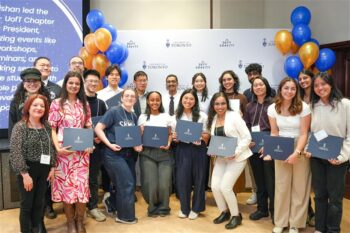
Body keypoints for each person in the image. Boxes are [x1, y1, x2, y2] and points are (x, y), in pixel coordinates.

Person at [305, 72, 350, 233]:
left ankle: (332, 229)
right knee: (319, 195)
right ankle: (319, 228)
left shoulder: (345, 104)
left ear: (331, 84)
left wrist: (342, 156)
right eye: (316, 85)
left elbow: (349, 134)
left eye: (323, 84)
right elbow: (313, 132)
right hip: (317, 157)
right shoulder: (313, 105)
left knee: (335, 199)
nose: (320, 88)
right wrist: (309, 148)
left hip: (337, 159)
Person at [49, 71, 93, 233]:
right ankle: (70, 223)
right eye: (71, 83)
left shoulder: (84, 104)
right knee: (67, 189)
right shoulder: (56, 104)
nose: (74, 86)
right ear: (65, 84)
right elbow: (52, 129)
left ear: (80, 86)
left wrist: (89, 143)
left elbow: (88, 125)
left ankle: (79, 221)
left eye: (77, 83)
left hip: (82, 153)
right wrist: (58, 149)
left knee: (81, 187)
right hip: (64, 153)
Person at [267, 77, 311, 233]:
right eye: (286, 88)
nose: (289, 91)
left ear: (296, 91)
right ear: (280, 89)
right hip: (281, 145)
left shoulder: (304, 107)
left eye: (293, 88)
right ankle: (281, 221)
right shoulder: (272, 108)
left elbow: (304, 133)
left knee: (300, 187)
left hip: (300, 145)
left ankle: (295, 223)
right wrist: (270, 150)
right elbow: (274, 132)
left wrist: (297, 152)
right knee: (282, 186)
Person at [94, 88, 142, 224]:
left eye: (132, 96)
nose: (129, 98)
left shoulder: (133, 116)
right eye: (127, 95)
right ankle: (125, 217)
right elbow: (98, 128)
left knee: (125, 183)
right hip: (113, 154)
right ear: (121, 98)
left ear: (135, 100)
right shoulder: (114, 111)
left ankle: (111, 202)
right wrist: (109, 144)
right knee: (127, 183)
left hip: (128, 154)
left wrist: (136, 146)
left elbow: (130, 137)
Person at [10, 94, 56, 233]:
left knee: (39, 203)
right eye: (35, 105)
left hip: (44, 169)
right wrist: (24, 174)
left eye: (42, 106)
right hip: (28, 170)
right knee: (27, 205)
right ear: (28, 107)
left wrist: (52, 167)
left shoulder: (47, 125)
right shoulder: (20, 127)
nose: (39, 108)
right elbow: (15, 152)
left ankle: (36, 228)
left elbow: (51, 147)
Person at [207, 92, 252, 230]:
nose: (220, 106)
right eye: (217, 104)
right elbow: (216, 139)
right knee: (214, 186)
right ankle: (224, 212)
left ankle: (236, 216)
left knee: (225, 187)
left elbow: (247, 137)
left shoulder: (234, 116)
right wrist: (212, 149)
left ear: (227, 104)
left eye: (223, 103)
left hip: (237, 157)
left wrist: (236, 151)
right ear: (213, 105)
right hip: (221, 157)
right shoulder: (214, 118)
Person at [171, 89, 210, 220]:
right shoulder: (175, 116)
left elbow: (207, 135)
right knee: (183, 179)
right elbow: (173, 135)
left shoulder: (202, 116)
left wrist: (200, 137)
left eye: (191, 99)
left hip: (199, 150)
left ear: (195, 101)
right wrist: (175, 138)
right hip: (182, 149)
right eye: (185, 98)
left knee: (199, 179)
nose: (188, 101)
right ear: (181, 99)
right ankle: (184, 208)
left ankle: (197, 208)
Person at [218, 70, 254, 204]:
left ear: (234, 81)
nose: (227, 82)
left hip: (238, 139)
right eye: (224, 80)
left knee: (235, 175)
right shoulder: (218, 96)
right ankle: (224, 199)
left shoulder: (242, 97)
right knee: (221, 175)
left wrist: (241, 116)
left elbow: (247, 117)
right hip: (222, 140)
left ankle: (234, 197)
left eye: (229, 79)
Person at [244, 77, 275, 222]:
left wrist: (269, 143)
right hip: (254, 146)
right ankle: (262, 209)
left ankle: (275, 210)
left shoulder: (275, 104)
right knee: (259, 180)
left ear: (266, 86)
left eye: (261, 84)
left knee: (271, 180)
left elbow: (278, 127)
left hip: (270, 145)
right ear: (252, 89)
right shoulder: (249, 106)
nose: (258, 87)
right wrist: (248, 139)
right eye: (255, 85)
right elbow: (247, 126)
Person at [138, 91, 173, 217]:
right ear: (148, 101)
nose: (155, 102)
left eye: (157, 100)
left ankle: (164, 207)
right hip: (147, 153)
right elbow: (139, 136)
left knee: (165, 183)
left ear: (160, 101)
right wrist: (140, 133)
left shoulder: (166, 116)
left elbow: (170, 134)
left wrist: (169, 143)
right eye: (152, 100)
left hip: (164, 153)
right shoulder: (142, 117)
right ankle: (152, 207)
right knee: (150, 183)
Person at [34, 56, 61, 220]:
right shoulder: (27, 87)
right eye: (41, 65)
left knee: (48, 171)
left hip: (51, 137)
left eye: (47, 65)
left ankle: (48, 205)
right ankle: (36, 206)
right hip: (32, 138)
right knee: (34, 172)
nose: (45, 67)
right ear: (35, 68)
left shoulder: (57, 89)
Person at [83, 69, 108, 222]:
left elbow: (105, 124)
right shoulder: (77, 102)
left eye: (95, 81)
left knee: (93, 178)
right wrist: (89, 140)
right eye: (90, 81)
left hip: (96, 147)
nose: (93, 83)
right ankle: (76, 206)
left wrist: (99, 137)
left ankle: (92, 207)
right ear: (84, 82)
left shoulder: (101, 103)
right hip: (79, 147)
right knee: (77, 178)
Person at [8, 68, 51, 139]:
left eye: (35, 81)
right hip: (22, 140)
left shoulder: (47, 100)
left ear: (40, 83)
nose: (32, 84)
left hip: (44, 140)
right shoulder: (16, 101)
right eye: (28, 81)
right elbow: (12, 124)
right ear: (23, 84)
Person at [298, 69, 316, 227]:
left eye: (305, 78)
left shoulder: (319, 96)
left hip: (317, 141)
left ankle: (319, 214)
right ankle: (308, 212)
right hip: (302, 141)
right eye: (300, 79)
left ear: (312, 78)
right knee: (303, 182)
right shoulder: (298, 97)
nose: (303, 81)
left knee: (316, 182)